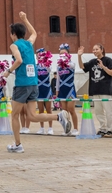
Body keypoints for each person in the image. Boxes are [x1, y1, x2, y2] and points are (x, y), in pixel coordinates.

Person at [5, 11, 72, 153]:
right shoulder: (29, 44)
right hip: (33, 83)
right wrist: (25, 19)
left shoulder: (14, 45)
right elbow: (34, 33)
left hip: (22, 84)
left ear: (13, 34)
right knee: (32, 116)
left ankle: (18, 145)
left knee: (14, 115)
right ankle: (58, 116)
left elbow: (19, 60)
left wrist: (8, 71)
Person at [78, 44, 112, 137]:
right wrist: (79, 56)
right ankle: (103, 128)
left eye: (96, 49)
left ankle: (110, 130)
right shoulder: (92, 62)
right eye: (93, 49)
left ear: (102, 50)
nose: (94, 51)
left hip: (106, 90)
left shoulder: (108, 60)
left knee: (108, 111)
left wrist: (103, 67)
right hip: (95, 90)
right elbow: (82, 66)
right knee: (98, 111)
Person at [56, 44, 79, 135]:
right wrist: (57, 92)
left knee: (71, 109)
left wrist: (65, 61)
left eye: (64, 53)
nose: (62, 55)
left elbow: (71, 65)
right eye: (60, 54)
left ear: (68, 54)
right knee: (64, 111)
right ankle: (67, 129)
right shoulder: (58, 67)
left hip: (70, 89)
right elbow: (58, 80)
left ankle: (76, 129)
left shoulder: (71, 64)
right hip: (62, 90)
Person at [35, 49, 54, 135]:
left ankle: (50, 128)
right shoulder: (35, 66)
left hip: (47, 90)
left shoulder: (47, 65)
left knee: (49, 109)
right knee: (41, 110)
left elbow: (50, 70)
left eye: (40, 55)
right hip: (39, 90)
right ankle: (42, 128)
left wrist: (46, 62)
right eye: (37, 56)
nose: (39, 57)